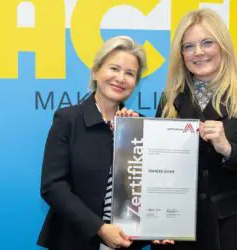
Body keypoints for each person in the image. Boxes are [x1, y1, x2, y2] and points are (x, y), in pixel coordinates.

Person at [154, 8, 237, 250]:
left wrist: (228, 149)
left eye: (207, 42)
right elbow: (157, 169)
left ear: (222, 46)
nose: (198, 52)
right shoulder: (169, 99)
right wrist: (155, 222)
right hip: (177, 232)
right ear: (181, 55)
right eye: (188, 46)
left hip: (230, 231)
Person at [37, 36, 152, 250]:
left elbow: (153, 188)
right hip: (75, 241)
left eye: (130, 73)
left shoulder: (140, 126)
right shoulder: (68, 119)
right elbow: (52, 186)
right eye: (114, 68)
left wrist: (159, 229)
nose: (121, 78)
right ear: (95, 72)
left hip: (128, 243)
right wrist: (99, 228)